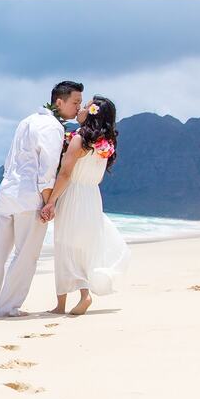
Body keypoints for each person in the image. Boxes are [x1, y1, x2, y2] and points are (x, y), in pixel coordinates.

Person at [0, 81, 83, 317]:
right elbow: (46, 170)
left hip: (7, 192)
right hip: (29, 196)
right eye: (75, 102)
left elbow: (9, 160)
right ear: (59, 102)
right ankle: (7, 308)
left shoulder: (26, 120)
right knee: (25, 255)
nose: (78, 108)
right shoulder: (53, 127)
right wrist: (49, 202)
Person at [40, 95, 130, 315]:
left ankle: (68, 301)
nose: (79, 108)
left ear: (92, 113)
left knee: (64, 245)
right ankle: (78, 295)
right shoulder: (105, 144)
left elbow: (67, 172)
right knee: (84, 248)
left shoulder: (80, 138)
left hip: (74, 195)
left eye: (85, 106)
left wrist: (51, 201)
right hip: (92, 196)